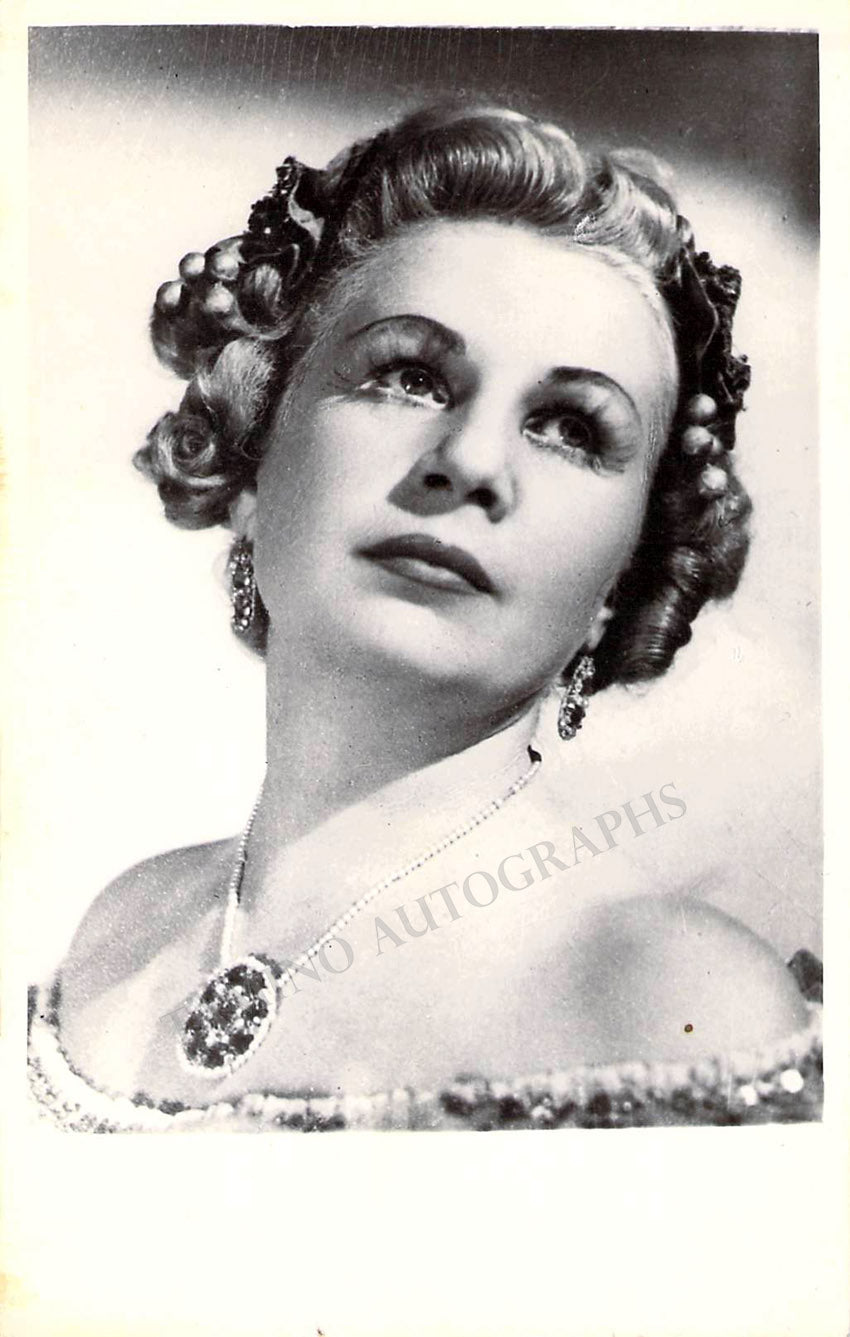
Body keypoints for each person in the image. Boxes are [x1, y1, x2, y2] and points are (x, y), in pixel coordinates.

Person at [28, 103, 821, 1131]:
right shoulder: (117, 935)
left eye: (570, 428)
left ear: (623, 576)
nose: (474, 461)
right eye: (409, 376)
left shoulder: (670, 1002)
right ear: (253, 456)